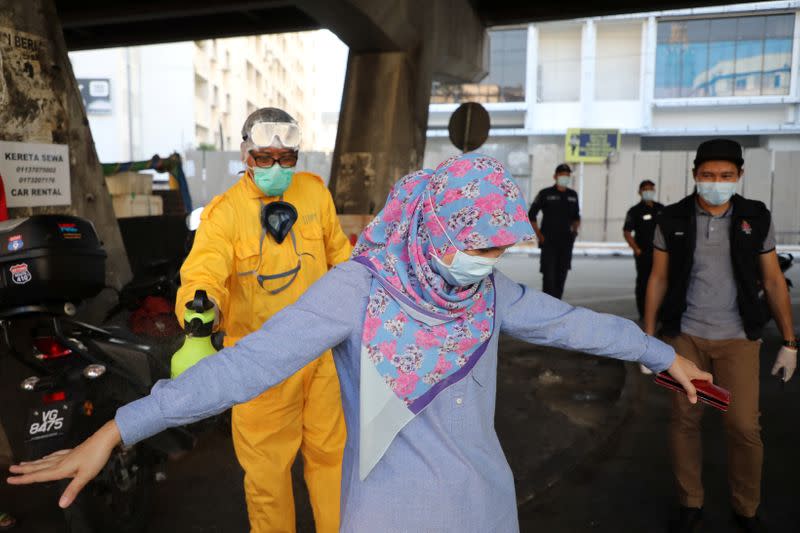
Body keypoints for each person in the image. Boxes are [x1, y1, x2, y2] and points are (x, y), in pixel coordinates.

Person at [8, 153, 710, 533]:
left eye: (497, 246)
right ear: (435, 227)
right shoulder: (360, 290)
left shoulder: (487, 292)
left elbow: (575, 323)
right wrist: (122, 428)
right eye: (477, 244)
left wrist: (663, 353)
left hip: (487, 510)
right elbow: (246, 365)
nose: (486, 259)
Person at [175, 107, 352, 532]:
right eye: (265, 157)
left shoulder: (314, 194)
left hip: (323, 356)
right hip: (261, 365)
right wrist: (201, 309)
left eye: (286, 158)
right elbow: (204, 273)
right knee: (268, 479)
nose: (276, 166)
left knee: (335, 466)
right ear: (246, 155)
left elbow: (342, 258)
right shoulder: (225, 215)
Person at [644, 139, 797, 533]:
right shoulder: (673, 218)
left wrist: (790, 341)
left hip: (738, 339)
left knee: (744, 425)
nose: (716, 182)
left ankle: (746, 508)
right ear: (695, 174)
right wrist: (647, 339)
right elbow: (658, 278)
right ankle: (690, 503)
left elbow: (773, 280)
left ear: (739, 176)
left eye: (726, 176)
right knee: (684, 420)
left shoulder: (755, 217)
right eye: (708, 175)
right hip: (686, 338)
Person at [623, 179, 664, 374]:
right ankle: (644, 314)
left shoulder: (662, 209)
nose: (649, 192)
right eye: (645, 189)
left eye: (651, 189)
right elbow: (627, 231)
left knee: (662, 284)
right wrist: (637, 249)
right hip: (644, 255)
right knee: (644, 284)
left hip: (661, 255)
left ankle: (659, 314)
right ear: (640, 191)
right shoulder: (635, 211)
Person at [528, 163, 580, 299]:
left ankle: (558, 307)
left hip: (566, 243)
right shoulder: (545, 194)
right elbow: (531, 215)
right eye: (562, 175)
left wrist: (575, 231)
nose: (564, 178)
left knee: (561, 277)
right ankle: (548, 309)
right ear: (555, 176)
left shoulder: (573, 195)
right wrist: (539, 235)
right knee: (549, 279)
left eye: (567, 175)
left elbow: (576, 217)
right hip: (549, 243)